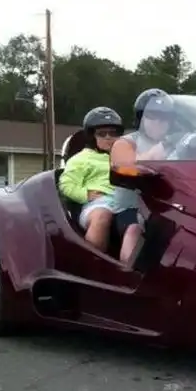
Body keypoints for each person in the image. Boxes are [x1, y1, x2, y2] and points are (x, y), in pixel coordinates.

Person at [59, 107, 139, 263]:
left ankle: (133, 269)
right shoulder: (81, 159)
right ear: (91, 137)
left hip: (127, 201)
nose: (108, 137)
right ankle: (91, 264)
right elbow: (66, 185)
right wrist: (86, 194)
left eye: (113, 133)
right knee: (102, 216)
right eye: (102, 134)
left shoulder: (127, 157)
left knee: (147, 221)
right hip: (98, 203)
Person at [110, 89, 176, 261]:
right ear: (141, 118)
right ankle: (127, 271)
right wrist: (152, 156)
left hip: (166, 207)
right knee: (134, 229)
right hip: (131, 207)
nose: (158, 122)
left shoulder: (176, 144)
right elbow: (123, 166)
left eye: (164, 117)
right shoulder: (126, 142)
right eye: (152, 116)